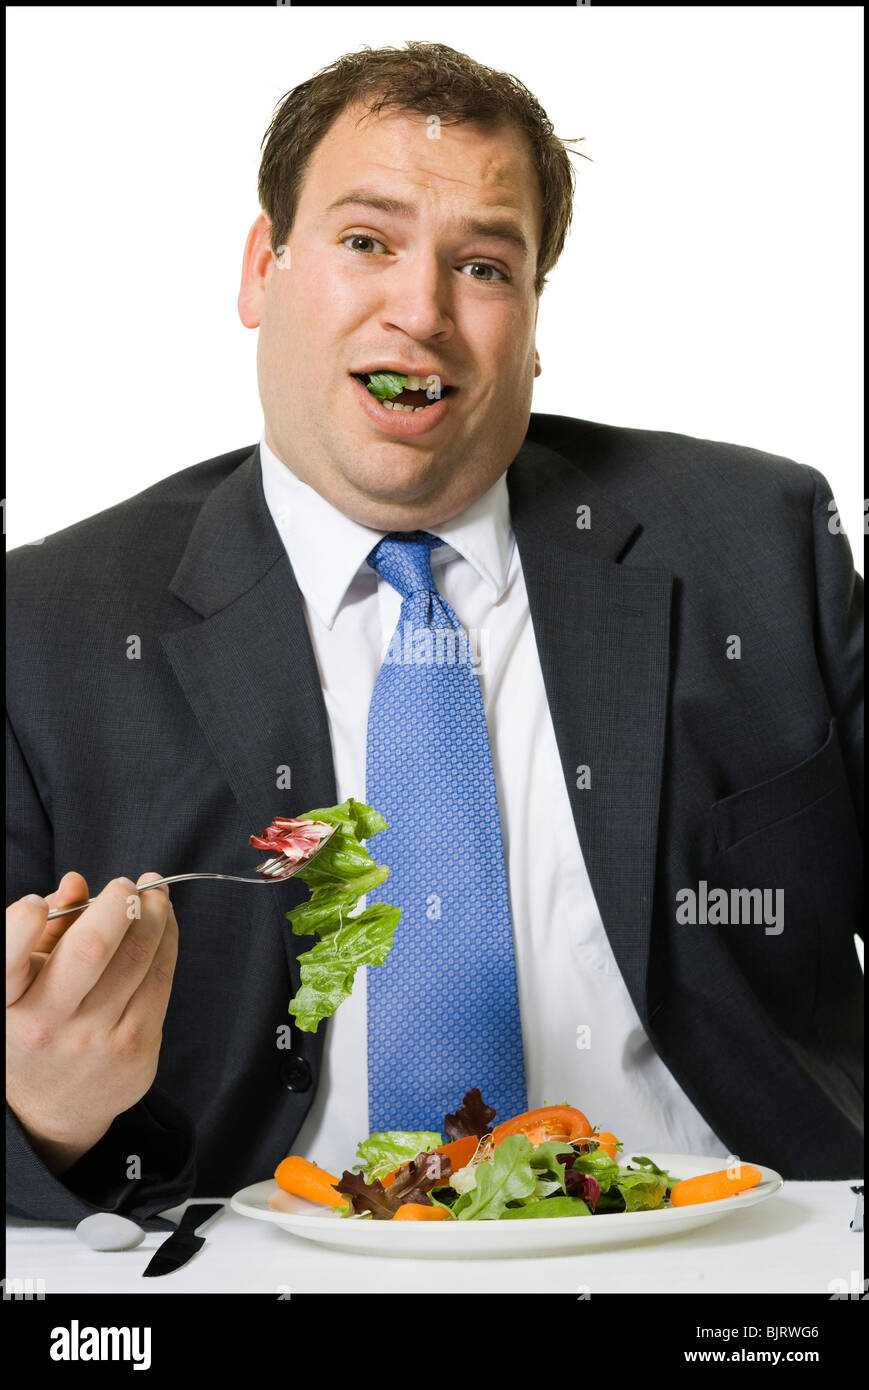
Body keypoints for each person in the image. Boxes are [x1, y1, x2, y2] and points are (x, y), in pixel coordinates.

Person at [6, 42, 862, 1230]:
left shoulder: (759, 545)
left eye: (482, 265)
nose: (420, 310)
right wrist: (48, 1113)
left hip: (730, 1244)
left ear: (531, 321)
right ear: (265, 268)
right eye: (366, 241)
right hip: (260, 1259)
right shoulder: (45, 628)